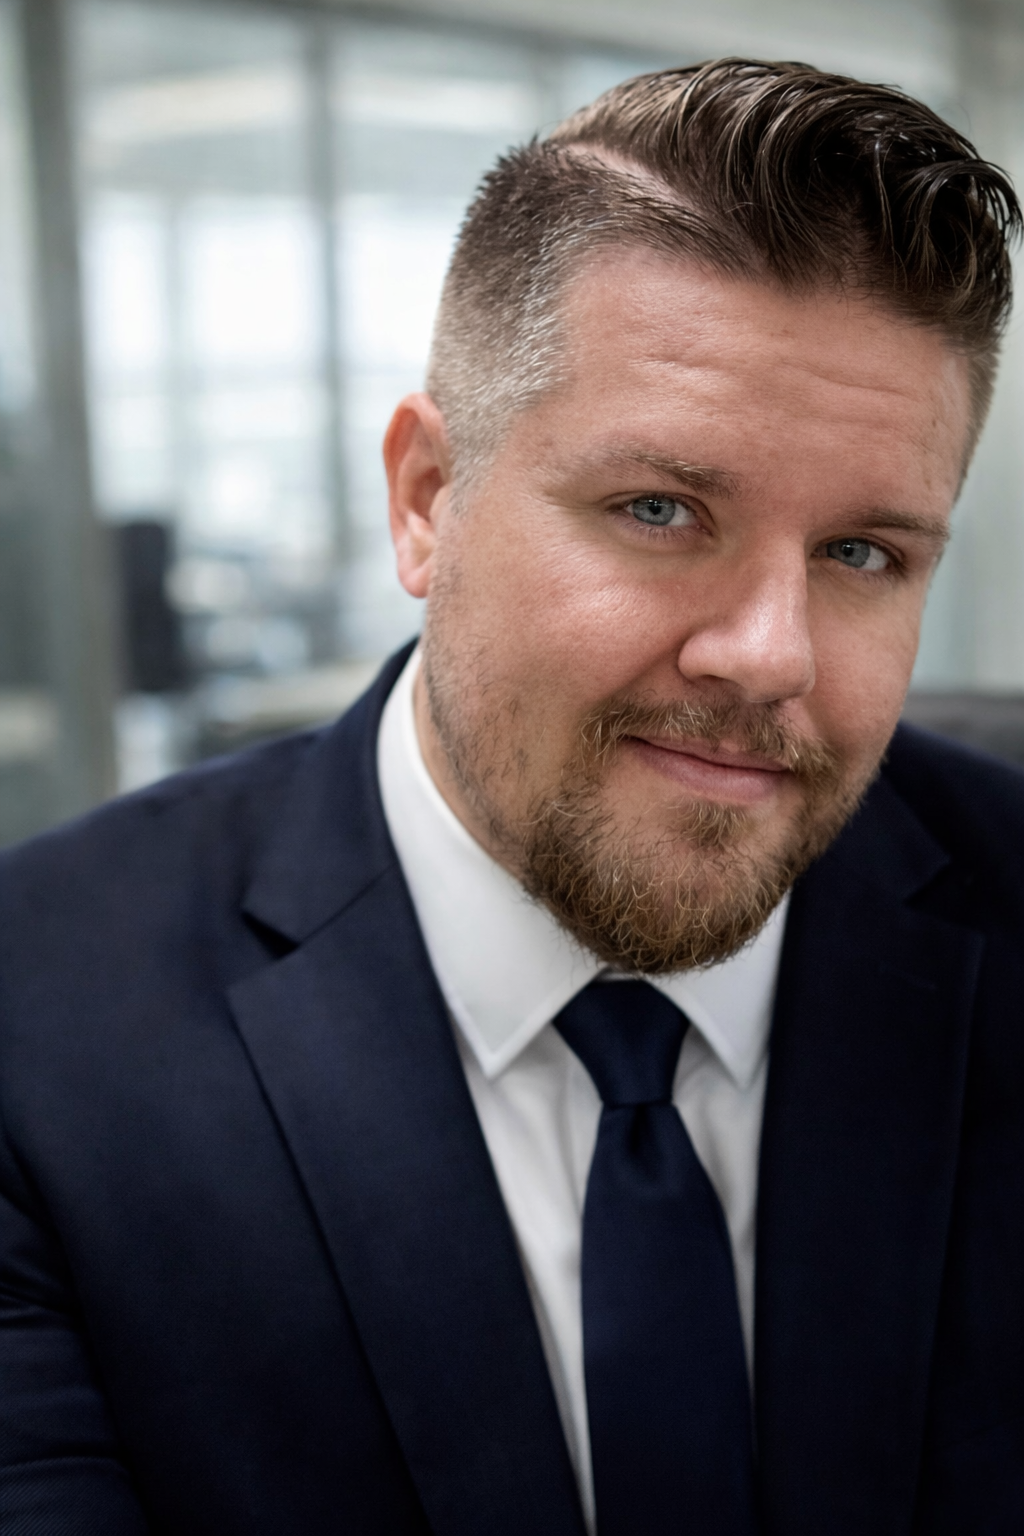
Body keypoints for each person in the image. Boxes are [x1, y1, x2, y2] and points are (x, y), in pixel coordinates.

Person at [1, 58, 1022, 1536]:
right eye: (660, 510)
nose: (770, 656)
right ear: (428, 498)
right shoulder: (36, 1028)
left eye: (863, 553)